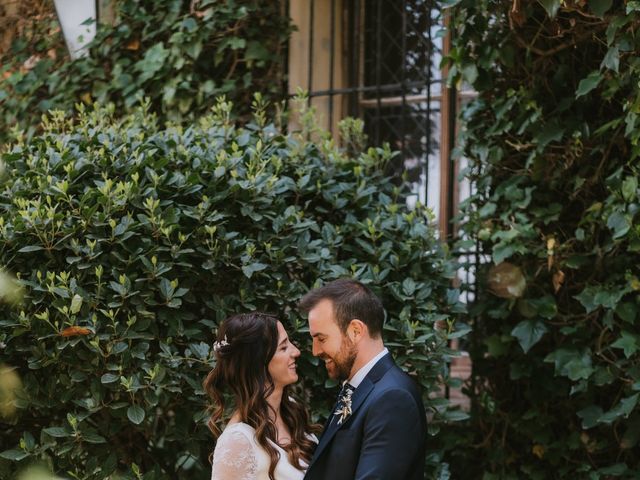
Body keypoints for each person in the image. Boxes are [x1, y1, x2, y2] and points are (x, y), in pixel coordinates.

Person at [299, 278, 427, 480]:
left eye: (321, 339)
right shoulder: (361, 387)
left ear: (355, 331)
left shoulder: (393, 398)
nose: (315, 351)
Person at [203, 312, 320, 480]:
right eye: (283, 347)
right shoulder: (237, 441)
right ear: (258, 362)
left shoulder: (291, 411)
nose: (296, 352)